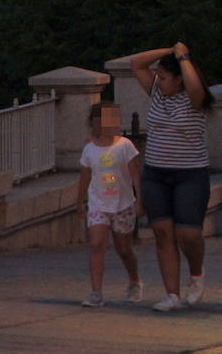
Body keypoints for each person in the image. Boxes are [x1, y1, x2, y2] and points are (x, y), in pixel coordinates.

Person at [130, 42, 214, 312]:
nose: (159, 80)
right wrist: (168, 51)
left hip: (190, 175)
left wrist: (184, 57)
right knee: (162, 233)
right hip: (156, 174)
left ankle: (197, 275)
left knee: (188, 234)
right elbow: (137, 63)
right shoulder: (156, 93)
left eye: (165, 77)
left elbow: (196, 87)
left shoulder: (194, 99)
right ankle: (172, 294)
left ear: (180, 80)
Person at [76, 102, 144, 307]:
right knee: (97, 244)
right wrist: (80, 201)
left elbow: (134, 175)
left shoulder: (125, 145)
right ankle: (96, 292)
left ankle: (134, 281)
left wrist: (140, 199)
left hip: (122, 204)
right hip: (98, 204)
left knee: (123, 248)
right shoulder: (89, 149)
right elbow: (85, 177)